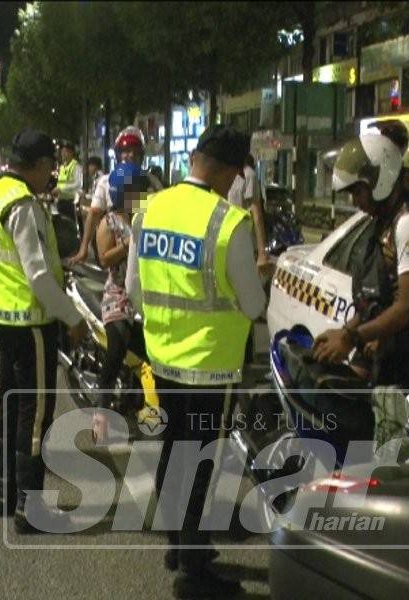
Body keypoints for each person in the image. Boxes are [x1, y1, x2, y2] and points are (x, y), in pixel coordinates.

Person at [126, 124, 265, 598]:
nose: (234, 185)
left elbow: (132, 291)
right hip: (212, 366)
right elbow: (252, 304)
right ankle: (193, 568)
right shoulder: (229, 222)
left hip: (162, 358)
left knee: (171, 450)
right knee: (204, 460)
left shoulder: (149, 209)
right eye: (235, 176)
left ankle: (175, 543)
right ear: (227, 170)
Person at [0, 129, 86, 533]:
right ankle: (28, 508)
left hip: (0, 318)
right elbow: (37, 274)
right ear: (35, 166)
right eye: (49, 166)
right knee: (34, 414)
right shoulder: (22, 205)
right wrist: (72, 316)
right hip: (30, 322)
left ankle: (4, 493)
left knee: (10, 401)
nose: (51, 173)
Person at [312, 133, 409, 398]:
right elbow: (379, 297)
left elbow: (408, 306)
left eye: (357, 191)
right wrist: (346, 331)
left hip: (407, 365)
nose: (355, 201)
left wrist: (351, 338)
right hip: (387, 354)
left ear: (379, 179)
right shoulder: (384, 220)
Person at [94, 162, 146, 426]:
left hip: (145, 293)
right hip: (118, 294)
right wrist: (129, 241)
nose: (141, 195)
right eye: (135, 191)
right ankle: (101, 411)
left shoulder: (146, 216)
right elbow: (104, 258)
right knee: (117, 346)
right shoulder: (109, 222)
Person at [71, 126, 162, 264]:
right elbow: (94, 213)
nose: (131, 155)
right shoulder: (106, 181)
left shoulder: (151, 181)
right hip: (118, 248)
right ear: (118, 155)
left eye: (135, 152)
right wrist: (83, 248)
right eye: (126, 151)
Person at [228, 154, 270, 276]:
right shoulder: (227, 174)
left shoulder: (248, 175)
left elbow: (256, 213)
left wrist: (262, 253)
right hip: (228, 242)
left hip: (246, 243)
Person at [51, 140, 81, 222]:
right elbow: (60, 183)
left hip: (70, 203)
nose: (63, 153)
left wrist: (60, 189)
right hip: (61, 202)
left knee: (70, 226)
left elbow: (78, 184)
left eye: (66, 151)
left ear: (72, 153)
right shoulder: (62, 167)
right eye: (62, 151)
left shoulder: (75, 166)